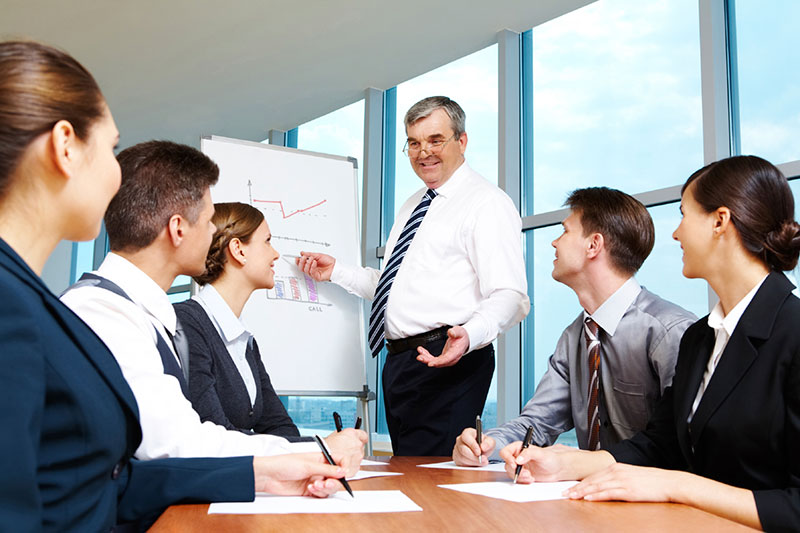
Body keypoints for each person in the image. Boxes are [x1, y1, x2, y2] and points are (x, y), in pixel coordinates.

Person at [0, 40, 346, 532]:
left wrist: (261, 475)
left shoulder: (36, 305)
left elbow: (107, 481)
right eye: (111, 147)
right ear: (65, 146)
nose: (119, 175)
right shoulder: (22, 308)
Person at [502, 156, 800, 531]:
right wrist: (566, 463)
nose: (675, 234)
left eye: (683, 215)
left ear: (720, 222)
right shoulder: (701, 338)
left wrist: (677, 485)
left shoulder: (792, 334)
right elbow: (660, 444)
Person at [61, 140, 366, 464]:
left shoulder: (146, 316)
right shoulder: (105, 313)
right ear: (178, 229)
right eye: (207, 222)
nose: (213, 236)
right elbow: (179, 446)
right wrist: (316, 451)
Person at [297, 96, 529, 456]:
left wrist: (467, 336)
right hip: (403, 363)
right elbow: (395, 286)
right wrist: (337, 272)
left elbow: (509, 293)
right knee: (409, 470)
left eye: (436, 140)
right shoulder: (413, 205)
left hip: (449, 358)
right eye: (415, 143)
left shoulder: (487, 203)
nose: (425, 152)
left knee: (435, 480)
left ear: (462, 141)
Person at [453, 187, 696, 465]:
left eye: (565, 231)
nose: (554, 243)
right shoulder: (575, 337)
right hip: (591, 495)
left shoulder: (669, 331)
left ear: (594, 245)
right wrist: (486, 445)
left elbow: (684, 444)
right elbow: (537, 423)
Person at [175, 202, 308, 439]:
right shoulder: (187, 324)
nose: (275, 253)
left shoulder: (244, 341)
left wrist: (319, 451)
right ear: (238, 250)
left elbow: (279, 426)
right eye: (267, 241)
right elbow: (214, 433)